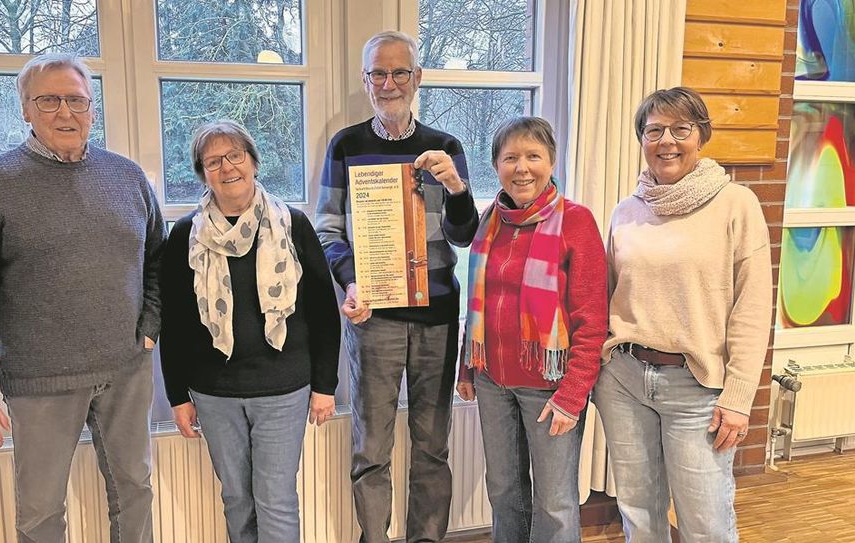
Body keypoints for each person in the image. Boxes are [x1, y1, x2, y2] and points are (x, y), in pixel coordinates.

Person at [0, 52, 164, 542]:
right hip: (40, 380)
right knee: (41, 511)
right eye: (48, 100)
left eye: (76, 100)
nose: (65, 113)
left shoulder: (128, 178)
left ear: (92, 109)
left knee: (135, 491)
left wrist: (149, 329)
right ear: (25, 109)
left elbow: (159, 264)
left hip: (126, 371)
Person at [315, 30, 479, 543]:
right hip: (373, 316)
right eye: (378, 75)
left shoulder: (446, 147)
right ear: (366, 81)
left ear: (417, 78)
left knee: (432, 445)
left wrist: (456, 187)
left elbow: (464, 235)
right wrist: (350, 282)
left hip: (436, 318)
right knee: (372, 447)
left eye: (399, 73)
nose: (389, 84)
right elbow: (327, 229)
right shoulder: (346, 145)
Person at [594, 87, 772, 542]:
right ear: (642, 139)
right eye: (654, 131)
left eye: (681, 129)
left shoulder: (736, 204)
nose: (667, 141)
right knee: (638, 512)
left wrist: (737, 398)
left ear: (702, 136)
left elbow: (753, 309)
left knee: (706, 523)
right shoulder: (626, 212)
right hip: (625, 380)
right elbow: (610, 296)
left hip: (698, 390)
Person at [160, 120, 339, 543]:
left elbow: (323, 312)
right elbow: (176, 321)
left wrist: (325, 385)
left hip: (284, 389)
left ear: (254, 162)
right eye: (213, 161)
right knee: (237, 498)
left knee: (275, 500)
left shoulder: (291, 225)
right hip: (213, 391)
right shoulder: (186, 234)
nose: (227, 168)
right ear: (203, 173)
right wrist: (177, 396)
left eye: (235, 156)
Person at [455, 117, 607, 543]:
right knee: (504, 492)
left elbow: (592, 319)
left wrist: (573, 395)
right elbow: (478, 301)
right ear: (496, 166)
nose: (522, 168)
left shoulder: (576, 221)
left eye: (533, 156)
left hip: (550, 389)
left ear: (551, 161)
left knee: (555, 502)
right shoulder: (491, 219)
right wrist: (467, 368)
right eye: (510, 158)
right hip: (492, 381)